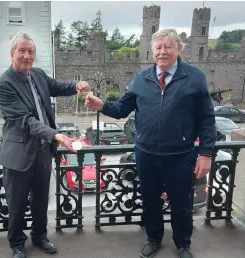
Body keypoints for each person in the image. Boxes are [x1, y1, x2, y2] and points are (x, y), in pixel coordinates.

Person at [85, 28, 216, 258]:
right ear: (152, 51)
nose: (162, 52)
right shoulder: (141, 78)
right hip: (146, 154)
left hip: (181, 155)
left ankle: (183, 243)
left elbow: (207, 118)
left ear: (179, 49)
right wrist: (102, 105)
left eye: (167, 47)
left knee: (181, 204)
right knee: (150, 201)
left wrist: (205, 153)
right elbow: (122, 108)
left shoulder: (195, 77)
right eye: (158, 48)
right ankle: (154, 239)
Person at [0, 33, 90, 258]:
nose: (27, 56)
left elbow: (57, 86)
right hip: (18, 154)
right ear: (12, 54)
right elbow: (25, 121)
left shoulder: (37, 74)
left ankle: (39, 236)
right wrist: (56, 135)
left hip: (42, 153)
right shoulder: (4, 84)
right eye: (22, 51)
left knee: (40, 200)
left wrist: (77, 85)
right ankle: (17, 243)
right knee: (17, 204)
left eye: (31, 51)